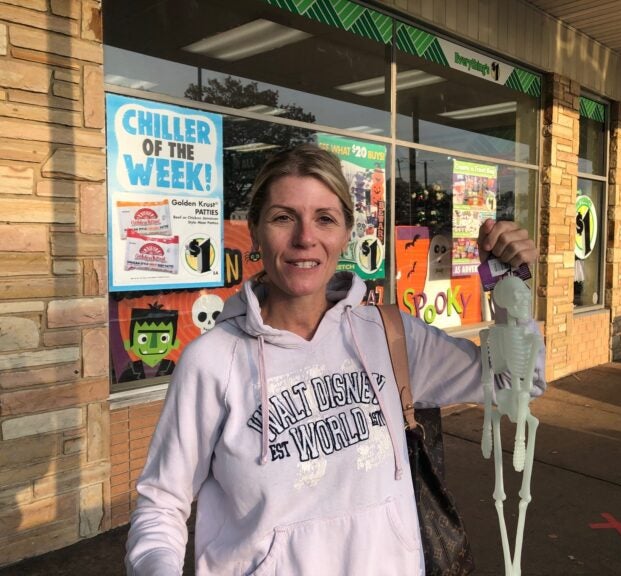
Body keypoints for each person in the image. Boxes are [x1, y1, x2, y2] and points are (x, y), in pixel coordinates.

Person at [125, 144, 546, 576]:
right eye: (283, 217)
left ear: (346, 232)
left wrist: (512, 286)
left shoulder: (388, 335)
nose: (305, 237)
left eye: (324, 218)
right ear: (254, 230)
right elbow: (161, 506)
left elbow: (516, 384)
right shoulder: (212, 362)